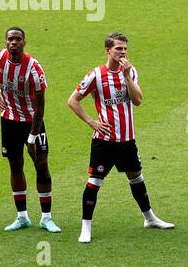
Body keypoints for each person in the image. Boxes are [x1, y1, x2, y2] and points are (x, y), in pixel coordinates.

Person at [67, 33, 174, 243]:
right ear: (108, 50)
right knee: (94, 182)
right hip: (104, 141)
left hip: (127, 140)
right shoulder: (96, 75)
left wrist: (126, 76)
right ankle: (85, 227)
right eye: (118, 49)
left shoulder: (130, 72)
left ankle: (149, 218)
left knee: (136, 177)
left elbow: (138, 100)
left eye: (125, 49)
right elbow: (73, 101)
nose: (122, 52)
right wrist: (92, 122)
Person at [0, 26, 59, 233]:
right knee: (15, 165)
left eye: (17, 39)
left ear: (24, 42)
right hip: (9, 121)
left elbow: (41, 107)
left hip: (32, 122)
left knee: (41, 165)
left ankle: (46, 218)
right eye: (10, 39)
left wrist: (32, 138)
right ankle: (22, 217)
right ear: (5, 42)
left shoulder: (34, 69)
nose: (13, 42)